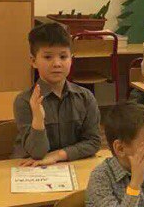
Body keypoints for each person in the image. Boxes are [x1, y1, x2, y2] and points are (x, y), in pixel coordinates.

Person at [13, 22, 101, 165]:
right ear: (33, 61)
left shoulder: (85, 97)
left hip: (71, 165)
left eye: (63, 56)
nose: (57, 64)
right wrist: (38, 119)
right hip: (32, 169)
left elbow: (94, 142)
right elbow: (37, 153)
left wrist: (59, 155)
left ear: (71, 59)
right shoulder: (24, 101)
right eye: (48, 57)